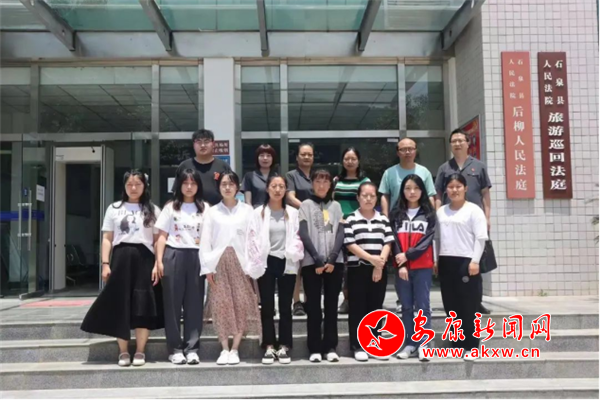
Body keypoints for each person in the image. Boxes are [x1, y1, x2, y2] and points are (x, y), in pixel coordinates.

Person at [81, 170, 162, 367]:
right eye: (129, 184)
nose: (133, 188)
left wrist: (157, 263)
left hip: (144, 259)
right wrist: (105, 263)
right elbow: (107, 238)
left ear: (145, 186)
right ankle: (123, 351)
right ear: (124, 187)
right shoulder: (114, 208)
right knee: (121, 304)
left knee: (143, 304)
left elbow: (157, 239)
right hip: (121, 259)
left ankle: (140, 351)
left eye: (138, 184)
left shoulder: (153, 209)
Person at [199, 171, 262, 365]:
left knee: (240, 305)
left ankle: (235, 348)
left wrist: (253, 265)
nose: (227, 187)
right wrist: (207, 267)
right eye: (224, 184)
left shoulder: (247, 211)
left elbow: (254, 239)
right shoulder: (212, 212)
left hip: (241, 262)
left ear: (237, 187)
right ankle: (224, 348)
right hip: (218, 262)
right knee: (221, 305)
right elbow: (205, 240)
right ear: (219, 187)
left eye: (231, 184)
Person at [246, 175, 304, 365]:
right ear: (267, 189)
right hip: (266, 262)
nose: (277, 190)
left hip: (287, 260)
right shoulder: (258, 213)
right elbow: (252, 238)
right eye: (274, 186)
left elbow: (298, 236)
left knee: (286, 306)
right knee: (267, 306)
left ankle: (285, 345)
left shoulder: (293, 213)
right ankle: (269, 345)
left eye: (281, 186)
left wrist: (294, 253)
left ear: (286, 189)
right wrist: (254, 261)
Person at [435, 128, 492, 314]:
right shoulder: (444, 168)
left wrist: (487, 217)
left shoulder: (479, 166)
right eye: (454, 141)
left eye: (461, 140)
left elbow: (485, 193)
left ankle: (477, 301)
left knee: (476, 261)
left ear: (468, 143)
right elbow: (438, 194)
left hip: (473, 220)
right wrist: (438, 216)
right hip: (451, 221)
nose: (457, 144)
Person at [155, 168, 208, 365]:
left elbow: (210, 236)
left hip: (197, 256)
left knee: (195, 304)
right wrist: (159, 261)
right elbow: (161, 236)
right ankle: (175, 349)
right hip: (173, 254)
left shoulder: (205, 208)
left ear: (198, 186)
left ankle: (192, 348)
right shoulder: (170, 207)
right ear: (179, 185)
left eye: (193, 183)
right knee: (172, 304)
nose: (189, 187)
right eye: (185, 183)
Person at [378, 137, 436, 312]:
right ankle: (401, 299)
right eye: (403, 149)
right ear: (398, 152)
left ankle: (419, 304)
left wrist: (431, 216)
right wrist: (386, 218)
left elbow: (431, 195)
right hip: (398, 222)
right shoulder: (389, 173)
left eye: (411, 148)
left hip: (419, 222)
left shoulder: (424, 172)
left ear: (416, 150)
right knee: (400, 264)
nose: (408, 152)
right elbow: (384, 195)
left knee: (418, 266)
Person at [437, 173, 488, 360]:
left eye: (458, 186)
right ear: (446, 190)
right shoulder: (441, 211)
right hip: (445, 261)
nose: (454, 190)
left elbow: (481, 238)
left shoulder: (474, 210)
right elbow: (437, 239)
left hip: (467, 261)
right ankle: (457, 344)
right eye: (450, 187)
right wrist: (435, 260)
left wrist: (475, 261)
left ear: (465, 188)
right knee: (450, 305)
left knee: (469, 305)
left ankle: (472, 346)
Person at [343, 182, 394, 362]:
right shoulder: (351, 219)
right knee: (357, 308)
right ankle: (357, 346)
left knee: (376, 308)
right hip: (357, 270)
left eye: (372, 196)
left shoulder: (383, 219)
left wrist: (379, 265)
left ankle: (375, 344)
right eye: (365, 195)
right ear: (358, 197)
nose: (368, 199)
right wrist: (372, 260)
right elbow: (350, 244)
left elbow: (388, 242)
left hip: (379, 269)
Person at [298, 169, 345, 363]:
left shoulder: (336, 206)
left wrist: (332, 258)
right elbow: (303, 233)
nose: (322, 185)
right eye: (318, 181)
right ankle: (314, 348)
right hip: (312, 263)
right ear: (312, 184)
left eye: (325, 181)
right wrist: (317, 259)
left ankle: (330, 347)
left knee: (331, 306)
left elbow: (341, 232)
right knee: (314, 307)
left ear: (330, 185)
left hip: (334, 263)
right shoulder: (305, 205)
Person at [389, 175, 436, 362]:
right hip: (402, 268)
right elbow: (393, 240)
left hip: (422, 266)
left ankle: (424, 344)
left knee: (423, 306)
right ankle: (410, 343)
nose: (412, 192)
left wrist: (408, 255)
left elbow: (427, 240)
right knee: (406, 306)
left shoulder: (428, 214)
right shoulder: (396, 214)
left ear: (422, 191)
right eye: (408, 188)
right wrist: (401, 263)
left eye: (416, 188)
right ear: (402, 191)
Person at [333, 147, 371, 315]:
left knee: (356, 264)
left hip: (358, 226)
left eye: (353, 159)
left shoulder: (365, 181)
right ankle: (345, 298)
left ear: (358, 161)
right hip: (339, 226)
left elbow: (368, 202)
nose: (350, 162)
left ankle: (354, 298)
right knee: (342, 264)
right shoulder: (336, 180)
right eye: (346, 159)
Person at [286, 143, 315, 316]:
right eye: (303, 154)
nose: (306, 157)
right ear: (297, 157)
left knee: (311, 264)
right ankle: (296, 301)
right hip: (297, 223)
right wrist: (309, 208)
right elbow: (290, 197)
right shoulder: (291, 175)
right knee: (296, 263)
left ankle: (309, 300)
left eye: (309, 154)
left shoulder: (317, 175)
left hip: (316, 224)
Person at [176, 129, 233, 206]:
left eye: (206, 142)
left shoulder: (223, 166)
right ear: (193, 145)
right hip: (190, 209)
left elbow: (230, 188)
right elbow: (177, 191)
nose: (202, 145)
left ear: (213, 144)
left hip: (218, 209)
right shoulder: (184, 166)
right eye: (199, 142)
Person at [241, 144, 277, 208]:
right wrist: (253, 212)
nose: (265, 158)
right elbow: (248, 201)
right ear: (257, 158)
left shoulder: (277, 177)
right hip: (255, 211)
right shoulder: (249, 176)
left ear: (273, 158)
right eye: (262, 155)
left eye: (268, 156)